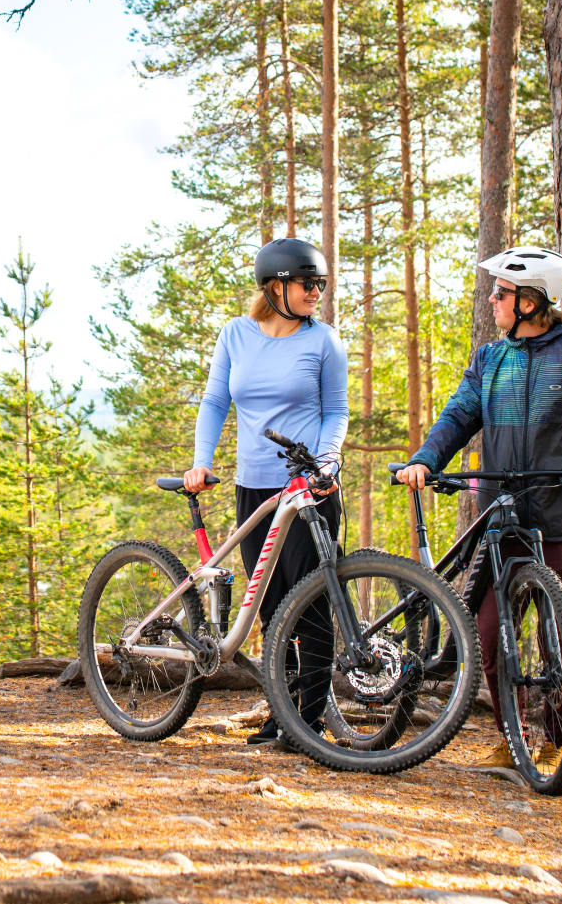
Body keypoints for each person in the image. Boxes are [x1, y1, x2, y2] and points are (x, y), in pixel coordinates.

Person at [395, 246, 562, 769]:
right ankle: (510, 738)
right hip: (502, 521)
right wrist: (426, 459)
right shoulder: (490, 359)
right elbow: (458, 415)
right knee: (492, 636)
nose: (492, 300)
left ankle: (559, 745)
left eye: (502, 293)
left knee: (558, 642)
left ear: (532, 301)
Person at [184, 237, 348, 750]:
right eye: (308, 284)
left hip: (307, 487)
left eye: (321, 284)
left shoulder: (325, 341)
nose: (316, 293)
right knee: (271, 607)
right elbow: (215, 401)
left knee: (312, 604)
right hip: (253, 487)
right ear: (276, 286)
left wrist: (324, 466)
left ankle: (310, 723)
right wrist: (201, 461)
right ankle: (283, 714)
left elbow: (335, 412)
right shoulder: (236, 334)